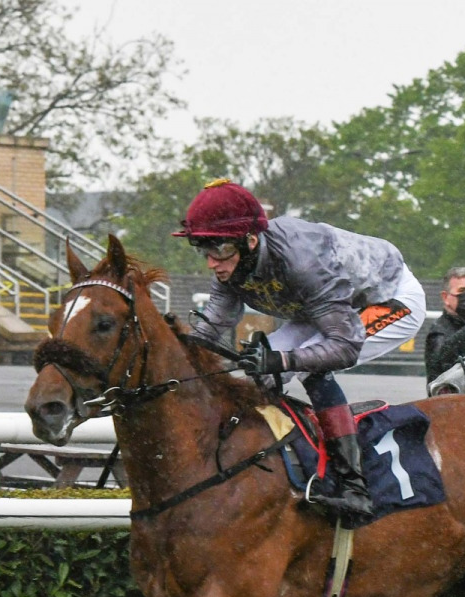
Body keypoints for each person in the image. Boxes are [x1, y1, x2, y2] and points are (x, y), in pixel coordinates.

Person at [174, 178, 426, 520]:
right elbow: (210, 329)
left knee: (309, 367)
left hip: (390, 298)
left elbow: (344, 346)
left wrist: (283, 360)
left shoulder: (303, 261)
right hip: (325, 308)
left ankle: (355, 487)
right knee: (258, 373)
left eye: (219, 250)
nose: (211, 263)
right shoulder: (233, 263)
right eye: (205, 250)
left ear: (250, 241)